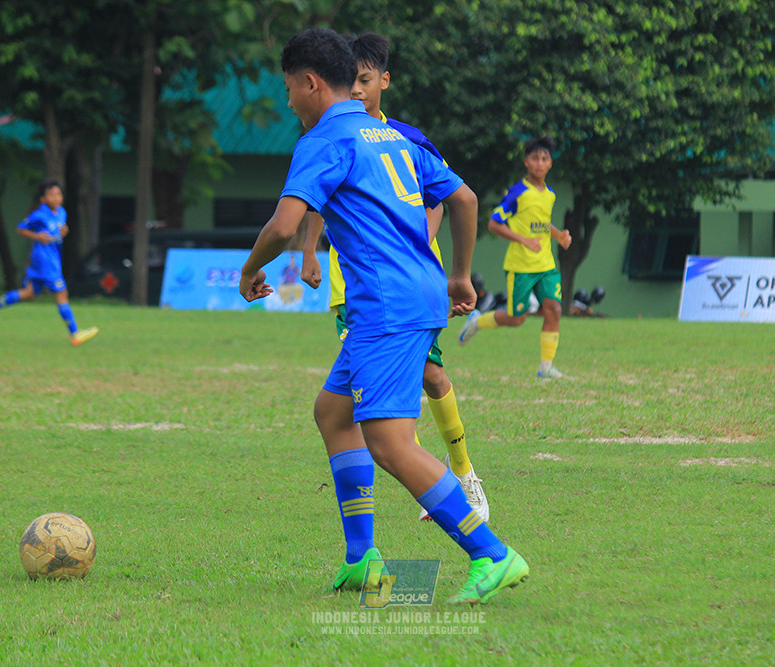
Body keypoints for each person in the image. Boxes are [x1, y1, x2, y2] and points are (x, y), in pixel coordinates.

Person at [240, 28, 528, 604]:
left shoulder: (323, 138)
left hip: (384, 305)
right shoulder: (396, 135)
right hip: (416, 293)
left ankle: (493, 554)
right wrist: (460, 274)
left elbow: (283, 224)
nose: (290, 101)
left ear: (310, 82)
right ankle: (361, 559)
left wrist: (250, 271)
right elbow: (465, 199)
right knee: (333, 413)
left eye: (290, 89)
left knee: (391, 444)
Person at [301, 31, 489, 524]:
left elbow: (447, 201)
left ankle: (463, 482)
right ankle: (366, 548)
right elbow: (315, 200)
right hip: (355, 294)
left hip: (399, 291)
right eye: (352, 81)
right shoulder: (333, 137)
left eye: (366, 80)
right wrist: (309, 252)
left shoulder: (403, 139)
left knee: (416, 389)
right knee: (341, 412)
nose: (358, 90)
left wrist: (442, 261)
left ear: (384, 81)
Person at [458, 136, 573, 379]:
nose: (540, 163)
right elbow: (494, 224)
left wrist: (558, 235)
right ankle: (477, 321)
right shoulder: (517, 192)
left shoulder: (549, 194)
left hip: (546, 265)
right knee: (516, 318)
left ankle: (546, 367)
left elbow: (541, 224)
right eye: (535, 159)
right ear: (526, 162)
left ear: (551, 163)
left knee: (553, 309)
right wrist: (523, 240)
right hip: (521, 266)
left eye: (544, 159)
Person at [0, 179, 98, 347]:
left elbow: (54, 233)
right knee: (62, 293)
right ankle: (75, 334)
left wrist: (62, 233)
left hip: (52, 258)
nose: (56, 198)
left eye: (58, 194)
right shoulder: (39, 215)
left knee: (29, 293)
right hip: (44, 260)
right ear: (43, 199)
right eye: (51, 195)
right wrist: (37, 237)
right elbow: (20, 228)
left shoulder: (62, 212)